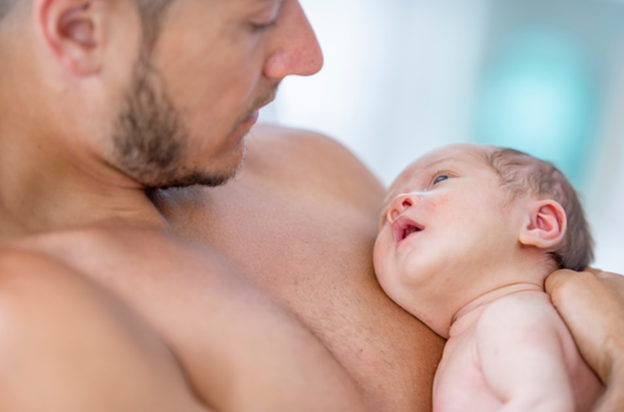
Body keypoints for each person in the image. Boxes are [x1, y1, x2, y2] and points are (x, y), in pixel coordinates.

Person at [0, 0, 621, 410]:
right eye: (258, 16)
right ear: (79, 30)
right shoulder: (38, 327)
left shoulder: (316, 166)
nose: (307, 55)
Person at [374, 144, 603, 411]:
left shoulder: (513, 315)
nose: (397, 206)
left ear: (538, 223)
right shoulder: (484, 329)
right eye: (381, 220)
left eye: (440, 179)